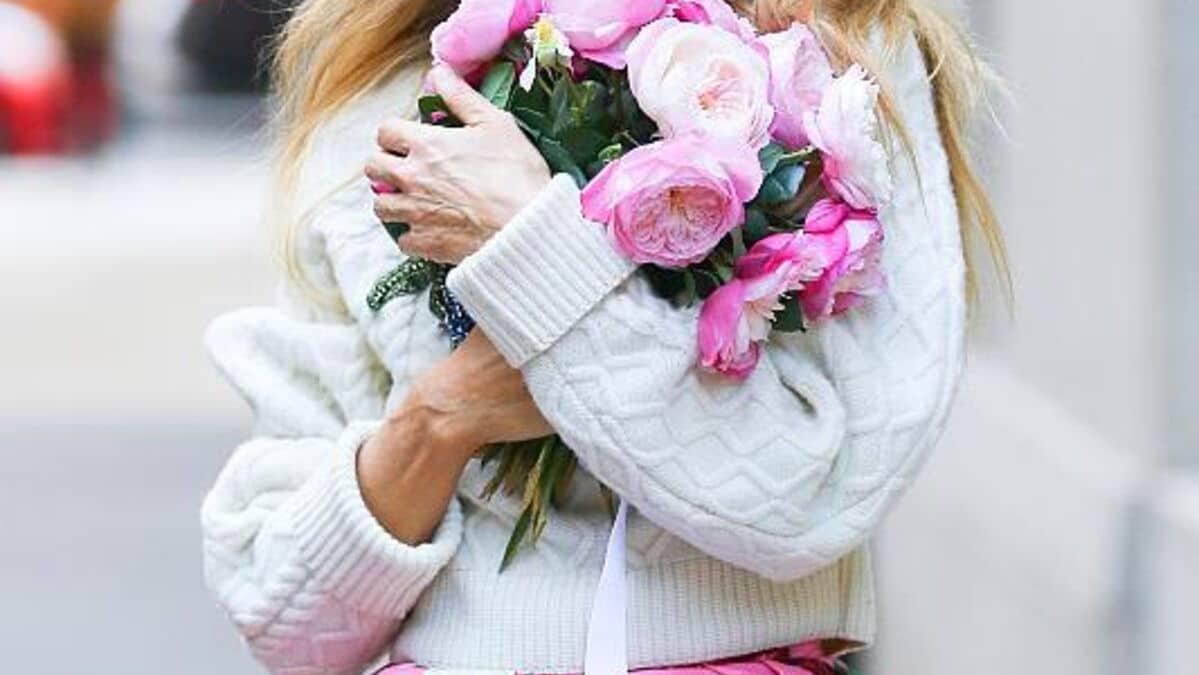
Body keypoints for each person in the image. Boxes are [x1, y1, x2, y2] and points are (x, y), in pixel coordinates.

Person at [201, 1, 1007, 674]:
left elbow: (815, 501)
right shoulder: (380, 76)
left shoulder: (840, 54)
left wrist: (539, 255)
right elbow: (282, 613)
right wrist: (441, 415)